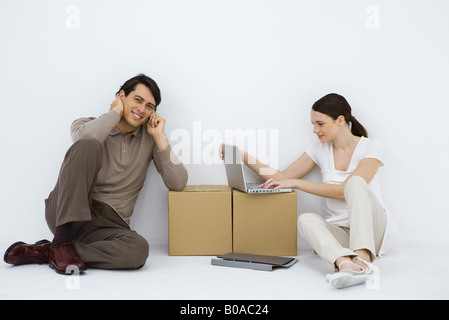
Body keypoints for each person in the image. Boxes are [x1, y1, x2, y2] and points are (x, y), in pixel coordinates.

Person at [4, 74, 188, 274]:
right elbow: (83, 140)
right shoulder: (88, 125)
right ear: (121, 96)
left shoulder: (150, 139)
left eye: (149, 106)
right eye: (137, 100)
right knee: (87, 146)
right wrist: (115, 112)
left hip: (107, 226)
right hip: (67, 212)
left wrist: (160, 138)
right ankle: (62, 240)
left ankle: (53, 250)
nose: (142, 109)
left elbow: (178, 182)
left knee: (139, 250)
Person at [226, 93, 395, 289]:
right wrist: (243, 156)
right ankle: (344, 263)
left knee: (355, 183)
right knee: (305, 219)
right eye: (313, 124)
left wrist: (297, 183)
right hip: (342, 233)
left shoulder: (371, 147)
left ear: (340, 120)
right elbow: (282, 177)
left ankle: (363, 261)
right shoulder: (319, 148)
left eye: (320, 124)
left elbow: (343, 191)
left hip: (373, 230)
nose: (315, 130)